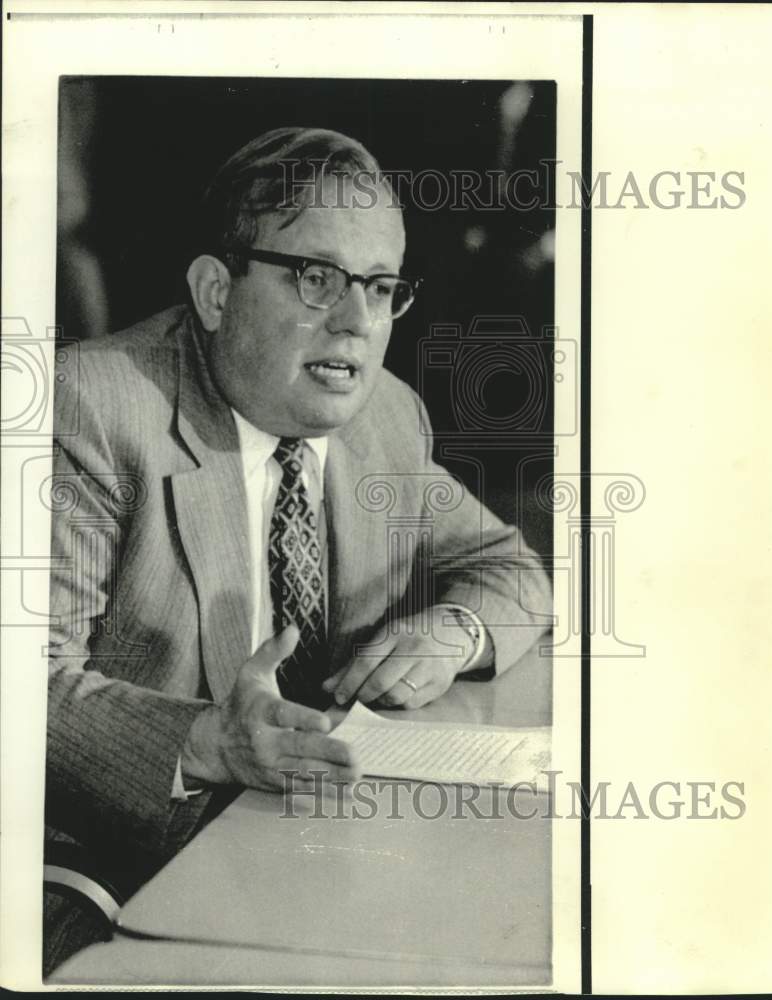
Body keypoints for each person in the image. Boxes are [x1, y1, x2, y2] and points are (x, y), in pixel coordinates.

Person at [44, 126, 552, 973]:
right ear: (215, 290)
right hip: (122, 874)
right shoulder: (92, 408)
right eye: (319, 279)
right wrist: (206, 739)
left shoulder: (384, 414)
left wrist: (452, 631)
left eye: (382, 286)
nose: (358, 322)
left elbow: (511, 567)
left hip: (322, 852)